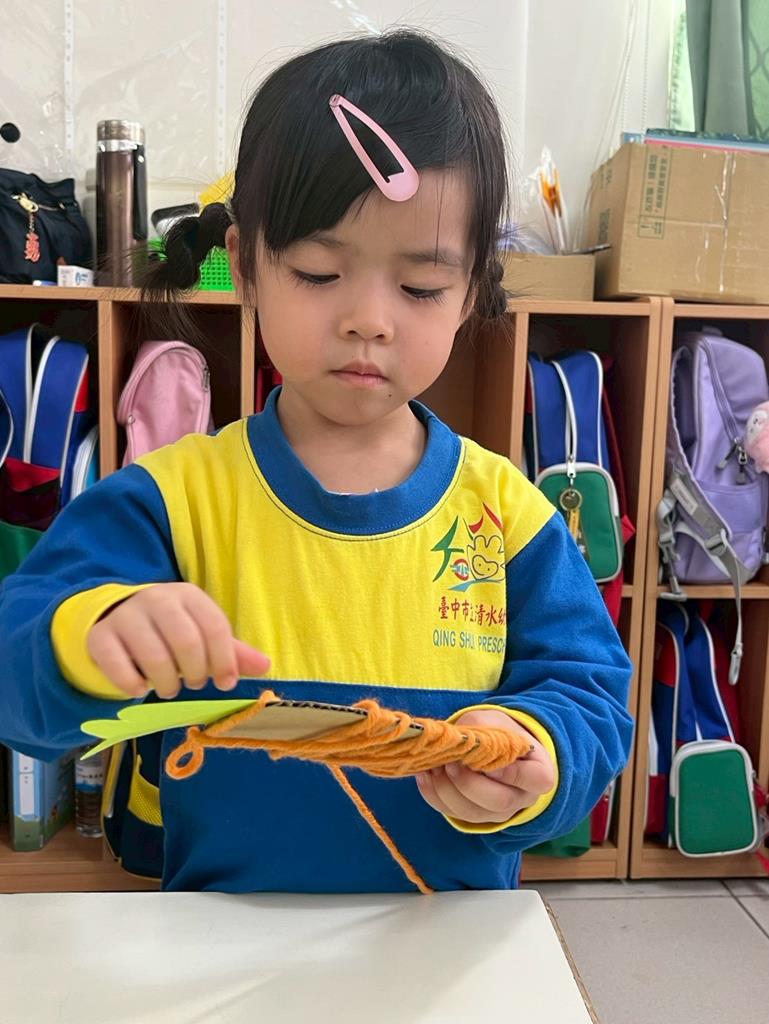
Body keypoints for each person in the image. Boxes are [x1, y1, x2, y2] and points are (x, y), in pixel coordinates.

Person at [0, 30, 632, 893]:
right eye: (316, 271)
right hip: (222, 937)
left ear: (471, 292)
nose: (368, 319)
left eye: (419, 287)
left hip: (443, 941)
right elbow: (17, 668)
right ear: (246, 266)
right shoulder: (168, 500)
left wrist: (537, 754)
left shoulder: (509, 516)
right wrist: (89, 637)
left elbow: (589, 697)